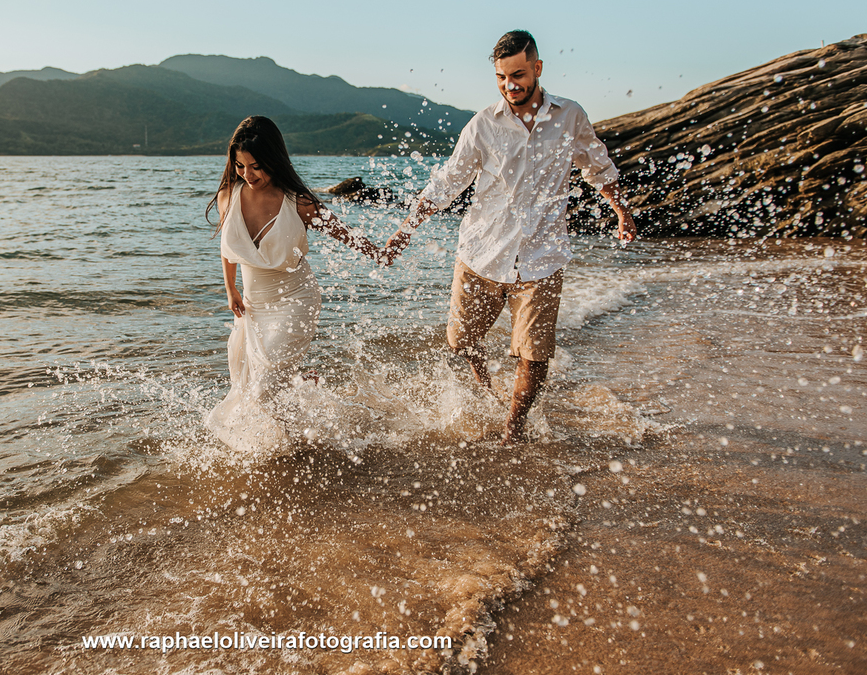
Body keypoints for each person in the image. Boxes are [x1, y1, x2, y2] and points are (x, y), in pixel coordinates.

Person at [384, 30, 636, 444]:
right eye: (501, 77)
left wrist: (621, 212)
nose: (510, 85)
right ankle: (490, 393)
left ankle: (512, 430)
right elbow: (449, 182)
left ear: (537, 68)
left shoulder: (569, 116)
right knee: (462, 342)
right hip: (482, 253)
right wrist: (404, 229)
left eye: (518, 75)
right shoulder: (483, 124)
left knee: (535, 356)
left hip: (543, 257)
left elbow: (597, 165)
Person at [205, 116, 387, 455]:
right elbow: (228, 246)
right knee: (252, 381)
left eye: (256, 166)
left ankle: (290, 449)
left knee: (263, 387)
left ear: (274, 159)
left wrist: (381, 252)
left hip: (295, 300)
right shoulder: (228, 196)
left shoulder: (298, 202)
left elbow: (343, 233)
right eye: (241, 166)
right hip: (253, 305)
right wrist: (230, 289)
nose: (249, 174)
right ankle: (301, 400)